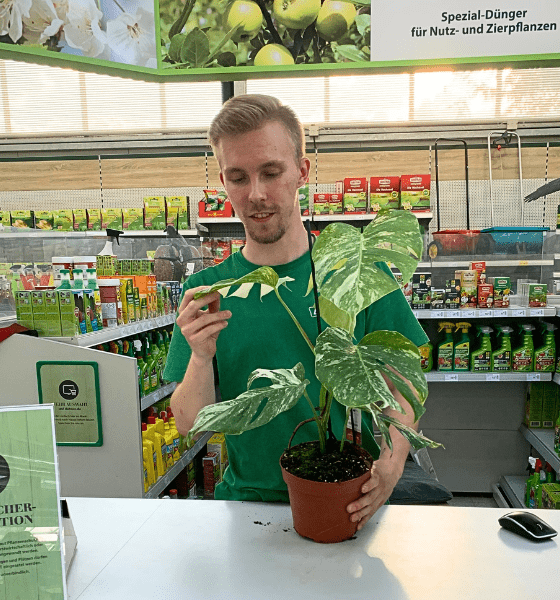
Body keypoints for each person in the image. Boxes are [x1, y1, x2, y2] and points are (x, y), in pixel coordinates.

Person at [165, 94, 428, 531]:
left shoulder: (353, 272)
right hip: (243, 510)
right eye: (238, 177)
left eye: (271, 172)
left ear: (301, 172)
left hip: (343, 500)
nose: (257, 194)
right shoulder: (207, 291)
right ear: (223, 182)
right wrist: (200, 355)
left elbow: (404, 380)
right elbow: (191, 425)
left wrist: (394, 459)